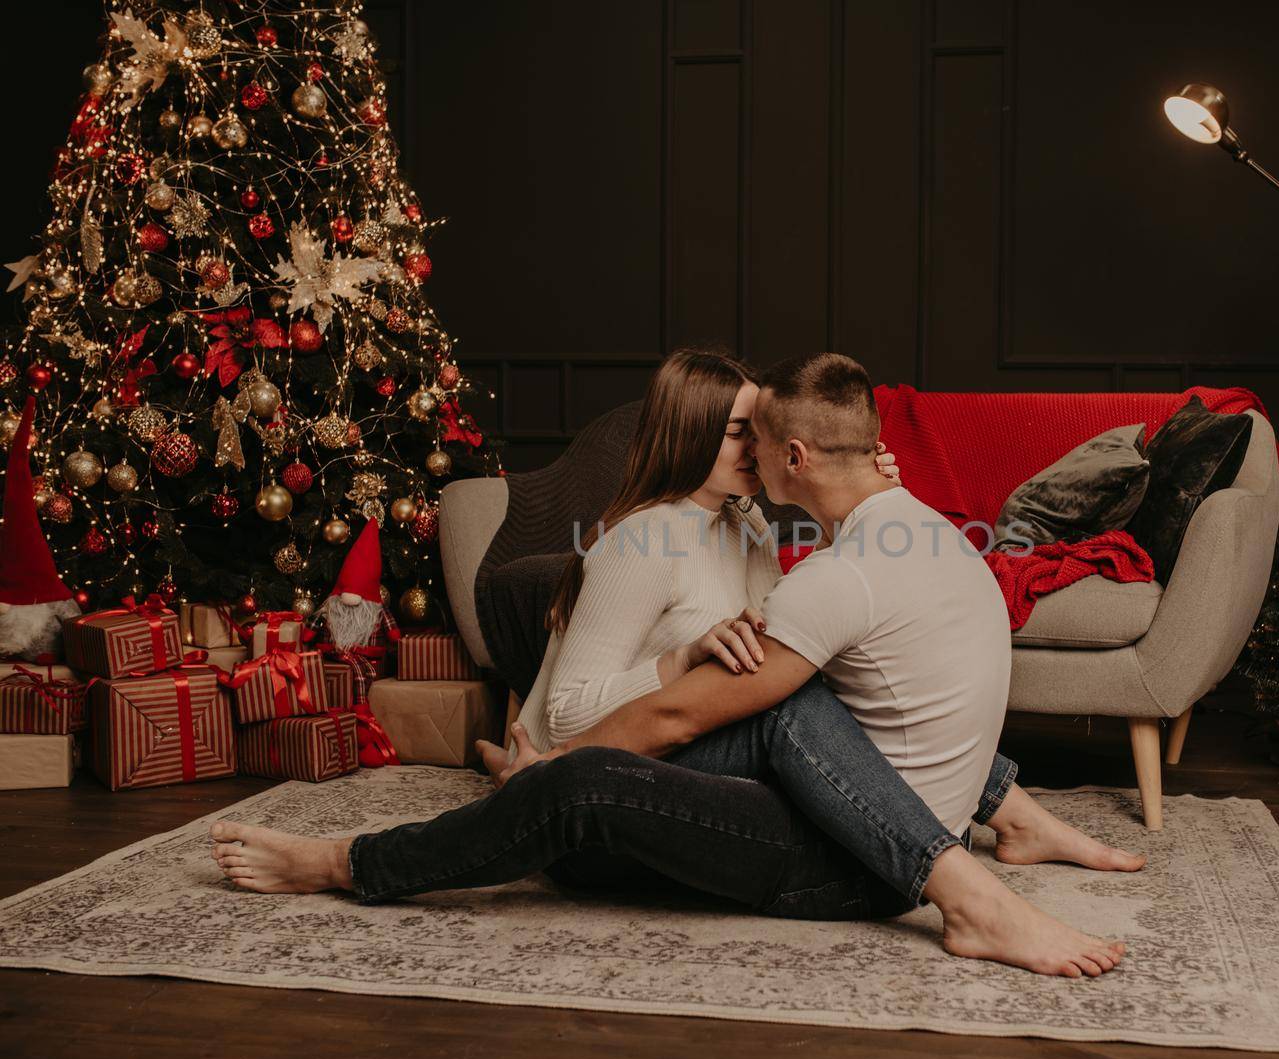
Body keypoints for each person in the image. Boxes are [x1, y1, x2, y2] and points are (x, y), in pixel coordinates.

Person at [211, 351, 1140, 978]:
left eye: (759, 435)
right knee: (754, 712)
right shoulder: (694, 541)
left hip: (850, 854)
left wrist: (578, 759)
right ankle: (367, 856)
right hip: (714, 781)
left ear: (795, 452)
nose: (752, 452)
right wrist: (594, 726)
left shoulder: (786, 546)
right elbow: (642, 711)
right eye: (736, 432)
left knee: (766, 707)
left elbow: (700, 713)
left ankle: (976, 868)